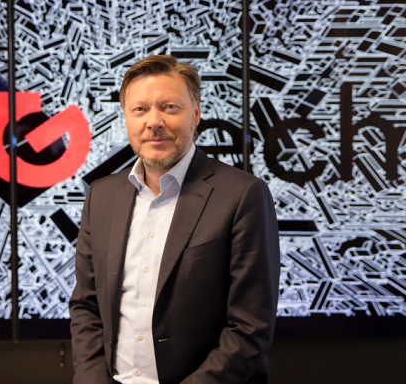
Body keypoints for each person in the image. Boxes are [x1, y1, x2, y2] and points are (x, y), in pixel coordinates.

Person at [69, 55, 280, 384]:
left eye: (169, 107)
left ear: (195, 114)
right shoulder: (101, 195)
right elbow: (86, 306)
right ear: (126, 118)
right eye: (140, 109)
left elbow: (249, 328)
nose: (154, 121)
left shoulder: (243, 195)